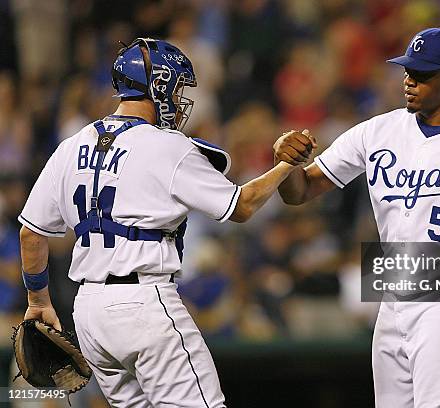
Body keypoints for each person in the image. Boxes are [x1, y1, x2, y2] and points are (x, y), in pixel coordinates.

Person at [18, 38, 306, 407]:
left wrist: (38, 299)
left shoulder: (72, 144)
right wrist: (286, 165)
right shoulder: (167, 145)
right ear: (160, 85)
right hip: (144, 304)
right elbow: (242, 206)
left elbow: (31, 233)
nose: (181, 98)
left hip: (88, 312)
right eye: (178, 87)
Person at [274, 27, 440, 408]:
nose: (409, 82)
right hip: (393, 297)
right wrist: (285, 163)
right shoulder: (377, 131)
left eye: (422, 74)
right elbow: (300, 192)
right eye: (407, 72)